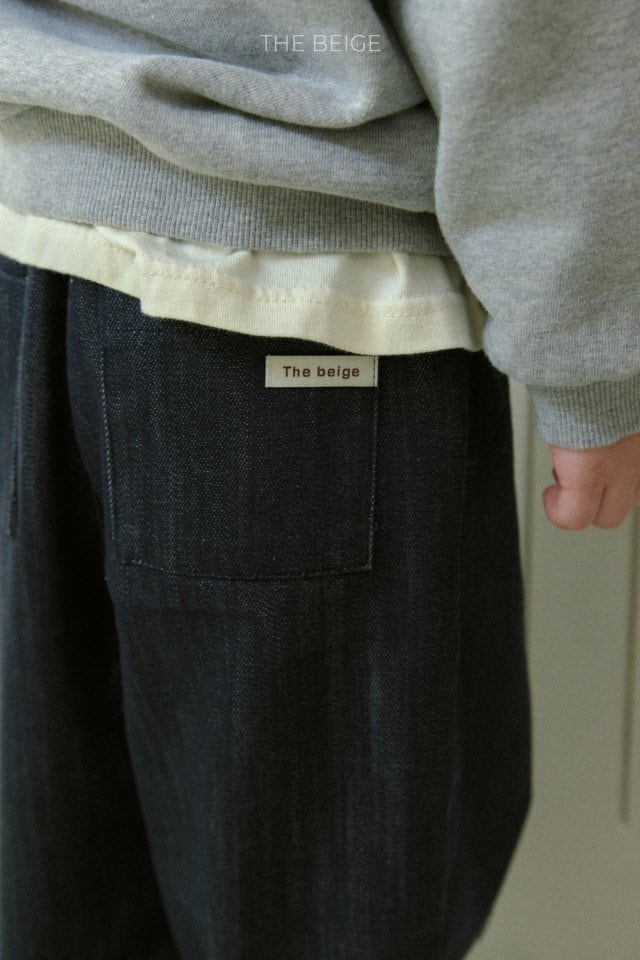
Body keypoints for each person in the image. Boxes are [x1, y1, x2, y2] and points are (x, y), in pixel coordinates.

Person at [0, 2, 637, 959]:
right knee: (330, 905)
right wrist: (592, 363)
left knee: (63, 880)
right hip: (294, 291)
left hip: (29, 243)